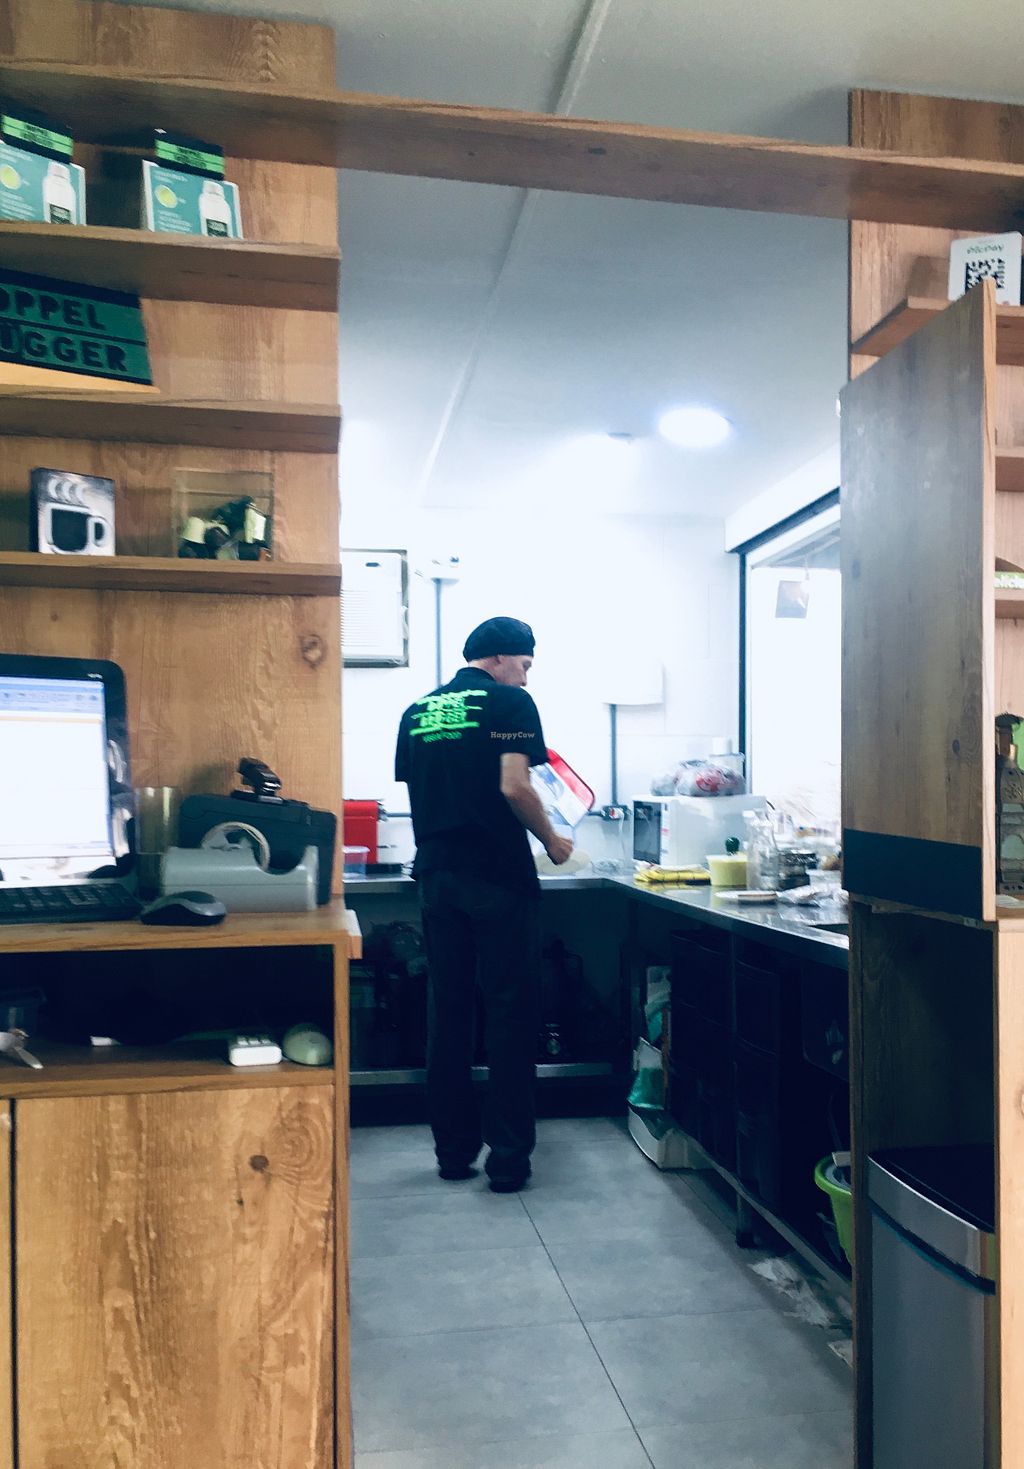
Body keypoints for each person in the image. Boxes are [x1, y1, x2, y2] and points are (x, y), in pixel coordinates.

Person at [395, 616, 573, 1192]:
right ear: (499, 658)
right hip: (497, 877)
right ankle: (508, 1162)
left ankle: (452, 1154)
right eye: (524, 665)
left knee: (447, 1015)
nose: (525, 678)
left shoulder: (418, 712)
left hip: (437, 877)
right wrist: (553, 840)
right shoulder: (510, 704)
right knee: (510, 1015)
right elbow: (514, 786)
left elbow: (428, 792)